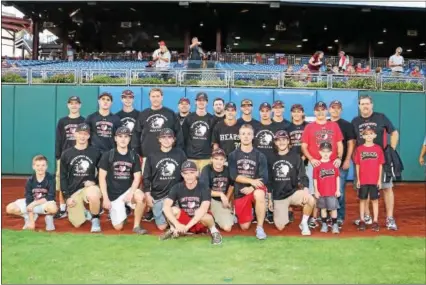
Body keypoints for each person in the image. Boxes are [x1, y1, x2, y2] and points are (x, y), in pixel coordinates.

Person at [351, 94, 399, 230]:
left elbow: (394, 133)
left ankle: (389, 218)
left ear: (372, 105)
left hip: (380, 160)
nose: (365, 106)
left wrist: (392, 149)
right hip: (363, 161)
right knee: (363, 189)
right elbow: (353, 141)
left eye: (367, 103)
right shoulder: (355, 121)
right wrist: (355, 157)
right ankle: (367, 216)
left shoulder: (381, 117)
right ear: (359, 106)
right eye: (362, 104)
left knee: (387, 188)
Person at [301, 101, 343, 228]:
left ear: (326, 111)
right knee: (314, 192)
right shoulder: (309, 127)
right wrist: (311, 159)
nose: (320, 112)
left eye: (322, 109)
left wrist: (340, 158)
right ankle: (314, 218)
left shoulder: (334, 126)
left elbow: (339, 144)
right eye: (317, 110)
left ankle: (332, 219)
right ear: (314, 112)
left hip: (331, 165)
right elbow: (304, 146)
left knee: (332, 191)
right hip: (315, 165)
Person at [160, 161, 223, 245]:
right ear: (182, 174)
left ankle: (214, 232)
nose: (189, 176)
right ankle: (172, 229)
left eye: (192, 173)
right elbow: (165, 207)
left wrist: (187, 227)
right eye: (186, 173)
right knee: (172, 210)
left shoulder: (204, 187)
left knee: (204, 215)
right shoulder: (176, 187)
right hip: (184, 220)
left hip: (199, 222)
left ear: (197, 173)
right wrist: (177, 224)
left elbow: (203, 209)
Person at [98, 127, 147, 234]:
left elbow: (137, 177)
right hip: (113, 194)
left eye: (126, 137)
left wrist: (131, 192)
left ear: (129, 139)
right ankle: (122, 211)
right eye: (120, 136)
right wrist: (105, 198)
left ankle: (136, 226)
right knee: (118, 227)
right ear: (115, 138)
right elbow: (102, 178)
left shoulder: (133, 155)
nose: (123, 139)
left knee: (141, 197)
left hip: (128, 190)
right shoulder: (108, 155)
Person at [268, 131, 314, 235]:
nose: (281, 142)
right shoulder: (271, 158)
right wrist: (270, 199)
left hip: (293, 193)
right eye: (278, 140)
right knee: (280, 227)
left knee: (310, 199)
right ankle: (284, 212)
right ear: (275, 142)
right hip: (279, 196)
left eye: (284, 140)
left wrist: (306, 190)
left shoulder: (296, 157)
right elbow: (269, 181)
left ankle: (304, 223)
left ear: (288, 141)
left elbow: (303, 176)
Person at [60, 123, 103, 233]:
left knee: (93, 195)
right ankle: (85, 212)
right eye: (80, 134)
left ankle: (95, 218)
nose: (82, 136)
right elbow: (63, 177)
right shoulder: (66, 154)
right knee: (77, 223)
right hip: (74, 190)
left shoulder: (95, 152)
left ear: (89, 136)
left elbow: (103, 172)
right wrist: (67, 197)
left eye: (85, 134)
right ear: (75, 134)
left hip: (89, 188)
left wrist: (94, 181)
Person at [228, 124, 268, 240]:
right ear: (239, 136)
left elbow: (264, 178)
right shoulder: (233, 155)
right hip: (240, 191)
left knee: (259, 194)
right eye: (243, 134)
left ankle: (260, 227)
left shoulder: (260, 156)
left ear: (253, 136)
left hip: (255, 189)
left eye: (249, 134)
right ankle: (252, 211)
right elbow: (233, 175)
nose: (246, 136)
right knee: (244, 227)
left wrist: (252, 187)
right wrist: (251, 181)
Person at [143, 128, 187, 230]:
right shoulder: (152, 156)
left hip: (175, 197)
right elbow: (146, 177)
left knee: (176, 213)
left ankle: (171, 221)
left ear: (173, 140)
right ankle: (162, 215)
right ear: (159, 139)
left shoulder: (180, 154)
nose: (166, 140)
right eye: (164, 137)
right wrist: (147, 195)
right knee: (162, 227)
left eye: (169, 137)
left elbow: (186, 174)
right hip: (158, 196)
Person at [132, 88, 184, 169]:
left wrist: (177, 151)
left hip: (168, 156)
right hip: (147, 155)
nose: (155, 99)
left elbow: (178, 134)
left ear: (162, 97)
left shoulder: (170, 113)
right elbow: (136, 134)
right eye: (153, 96)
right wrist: (137, 152)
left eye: (157, 96)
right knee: (146, 180)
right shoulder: (143, 114)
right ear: (149, 98)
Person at [6, 155, 57, 231]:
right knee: (9, 208)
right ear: (33, 167)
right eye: (38, 165)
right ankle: (29, 216)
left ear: (46, 166)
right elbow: (29, 199)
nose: (40, 168)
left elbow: (50, 197)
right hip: (32, 202)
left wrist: (34, 204)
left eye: (43, 165)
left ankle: (49, 218)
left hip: (43, 203)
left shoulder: (50, 179)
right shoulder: (30, 180)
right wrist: (31, 221)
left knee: (53, 208)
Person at [54, 96, 85, 219]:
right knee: (62, 181)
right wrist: (58, 156)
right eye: (71, 103)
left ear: (80, 105)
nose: (74, 105)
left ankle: (80, 206)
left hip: (80, 155)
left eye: (76, 103)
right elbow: (59, 139)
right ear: (68, 105)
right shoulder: (62, 121)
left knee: (80, 179)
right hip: (65, 155)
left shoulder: (84, 120)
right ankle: (62, 208)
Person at [328, 100, 356, 227]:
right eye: (333, 108)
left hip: (340, 163)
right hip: (326, 163)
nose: (335, 110)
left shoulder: (346, 125)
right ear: (329, 110)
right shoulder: (325, 124)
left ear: (341, 110)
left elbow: (351, 143)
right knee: (326, 190)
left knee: (339, 191)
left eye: (338, 108)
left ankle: (339, 216)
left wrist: (347, 159)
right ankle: (328, 216)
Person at [353, 126, 384, 232]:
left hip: (374, 179)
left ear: (375, 135)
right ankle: (362, 220)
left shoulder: (378, 149)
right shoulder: (359, 149)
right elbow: (357, 164)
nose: (369, 136)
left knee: (374, 200)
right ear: (363, 136)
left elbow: (380, 165)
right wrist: (358, 179)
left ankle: (375, 221)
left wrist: (379, 180)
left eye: (371, 134)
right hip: (363, 179)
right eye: (366, 134)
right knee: (363, 200)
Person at [200, 148, 234, 232]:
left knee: (227, 228)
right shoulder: (206, 169)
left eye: (221, 159)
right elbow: (205, 190)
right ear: (211, 159)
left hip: (220, 201)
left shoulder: (228, 169)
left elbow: (232, 185)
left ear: (225, 160)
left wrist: (227, 198)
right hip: (208, 199)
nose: (219, 161)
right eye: (216, 159)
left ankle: (216, 217)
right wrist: (221, 194)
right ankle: (210, 219)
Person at [286, 104, 308, 223]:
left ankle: (307, 212)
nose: (296, 114)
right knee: (290, 185)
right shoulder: (288, 127)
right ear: (291, 113)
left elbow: (311, 142)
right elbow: (285, 144)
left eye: (299, 111)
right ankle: (289, 210)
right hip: (292, 161)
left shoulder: (308, 126)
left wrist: (305, 156)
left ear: (302, 113)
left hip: (306, 160)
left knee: (305, 185)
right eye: (294, 111)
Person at [182, 92, 214, 172]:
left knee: (205, 183)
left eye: (203, 100)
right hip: (191, 157)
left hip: (206, 158)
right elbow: (183, 137)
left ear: (207, 102)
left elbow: (213, 139)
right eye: (199, 100)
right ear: (195, 102)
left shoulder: (212, 119)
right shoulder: (189, 118)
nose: (201, 102)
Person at [313, 142, 341, 234]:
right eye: (323, 151)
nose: (325, 154)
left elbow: (337, 177)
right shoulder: (317, 165)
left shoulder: (334, 164)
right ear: (319, 152)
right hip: (321, 192)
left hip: (332, 191)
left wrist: (337, 190)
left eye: (328, 151)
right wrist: (316, 191)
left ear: (331, 152)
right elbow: (315, 179)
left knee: (333, 209)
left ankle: (335, 225)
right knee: (323, 209)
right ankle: (324, 225)